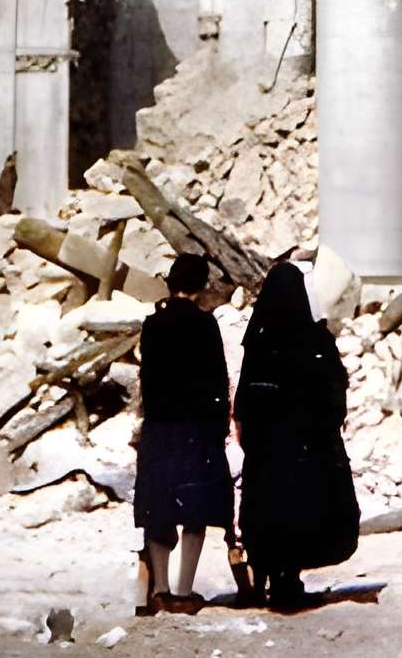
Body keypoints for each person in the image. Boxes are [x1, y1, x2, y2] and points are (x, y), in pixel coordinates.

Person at [233, 259, 360, 611]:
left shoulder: (258, 339)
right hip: (306, 446)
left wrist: (247, 431)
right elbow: (334, 388)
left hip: (266, 449)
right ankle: (289, 581)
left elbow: (244, 394)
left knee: (267, 509)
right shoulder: (312, 336)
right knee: (301, 510)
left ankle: (269, 576)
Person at [133, 251, 235, 616]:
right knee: (196, 509)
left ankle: (159, 589)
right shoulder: (206, 325)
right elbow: (218, 380)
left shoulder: (152, 325)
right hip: (197, 428)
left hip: (159, 427)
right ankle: (184, 590)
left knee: (158, 508)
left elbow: (146, 379)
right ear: (201, 285)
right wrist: (221, 424)